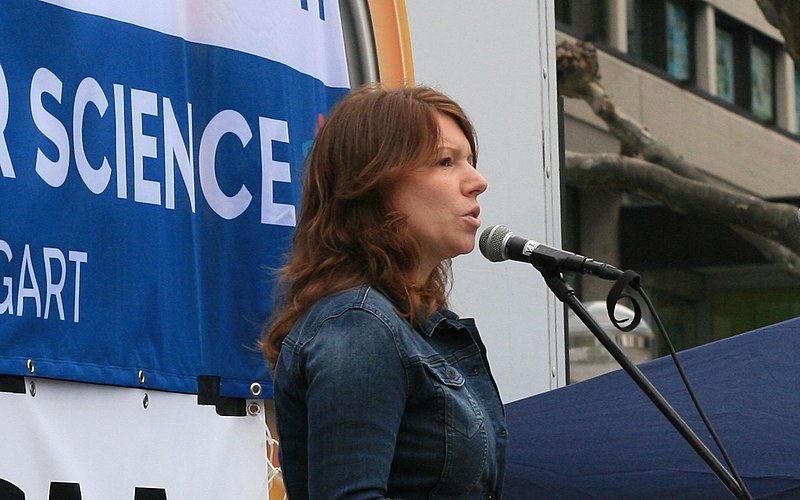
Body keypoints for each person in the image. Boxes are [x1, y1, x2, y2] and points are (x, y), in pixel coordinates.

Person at [262, 83, 508, 499]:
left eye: (471, 161)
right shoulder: (358, 326)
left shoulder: (411, 329)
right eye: (446, 162)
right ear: (373, 183)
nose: (477, 182)